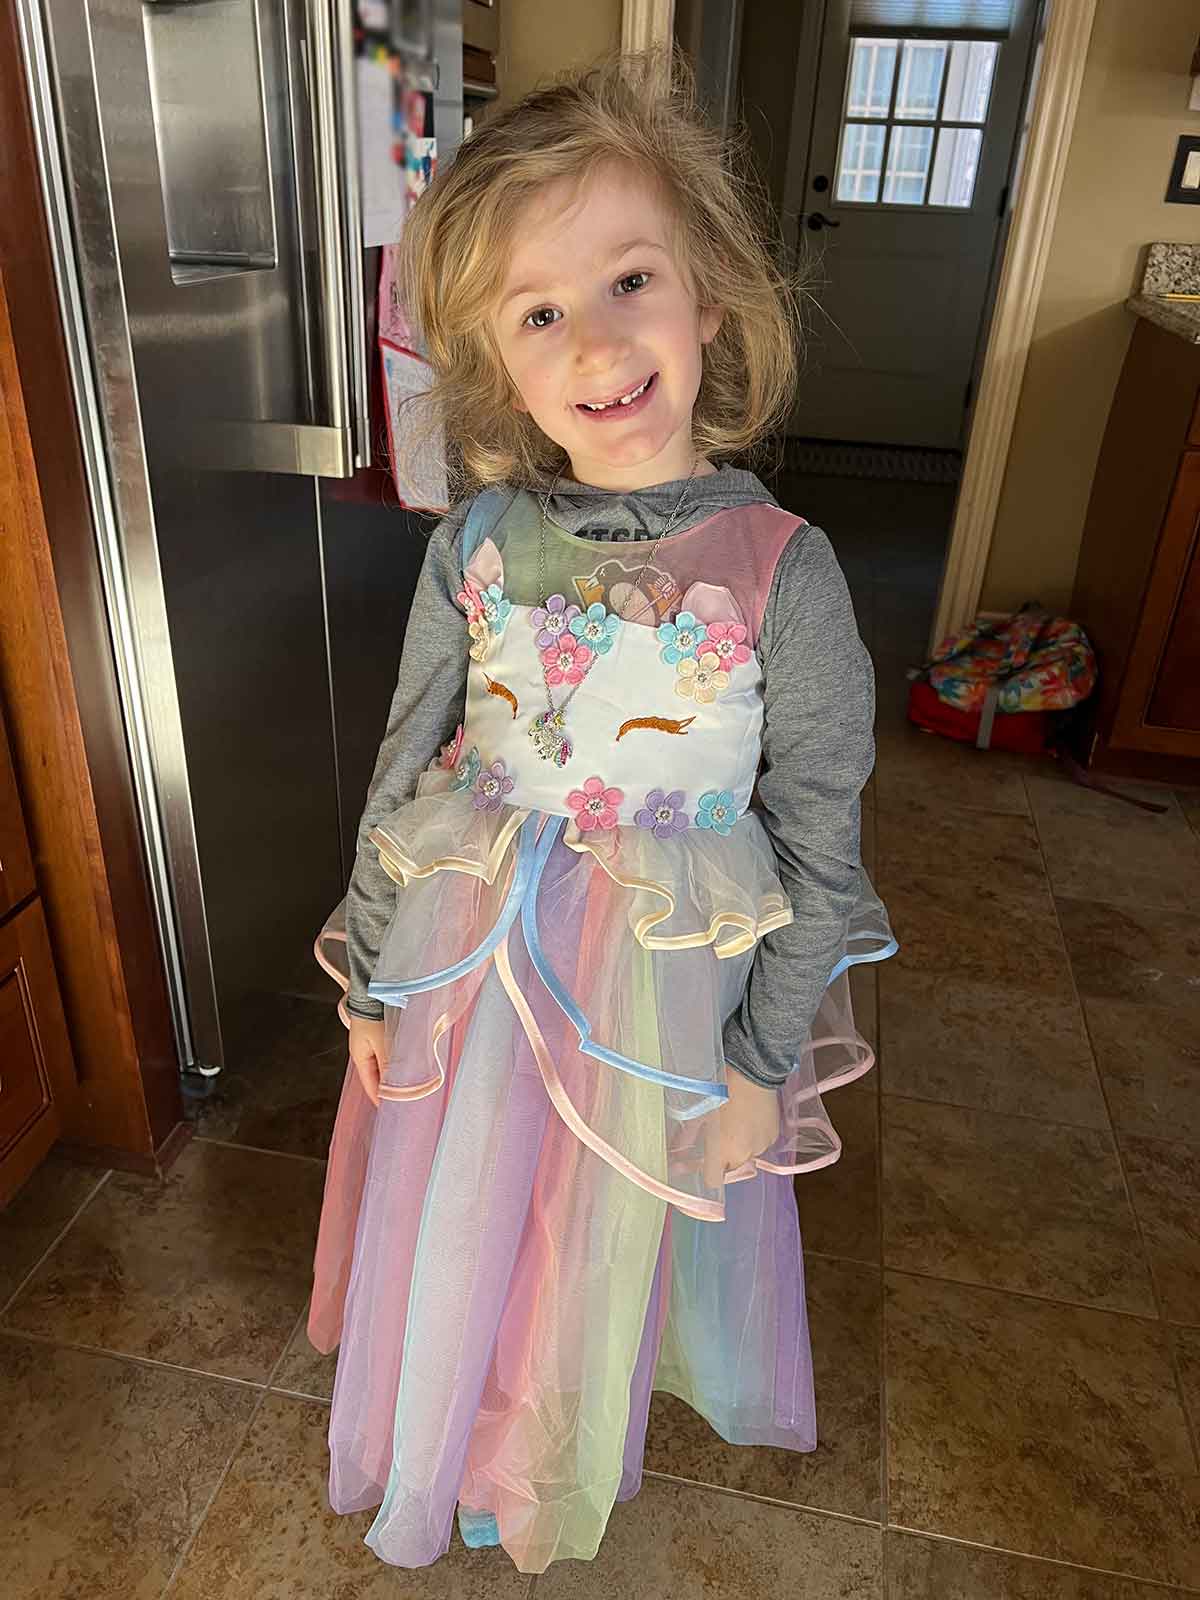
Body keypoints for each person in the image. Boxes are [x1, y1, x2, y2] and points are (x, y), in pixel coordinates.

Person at [307, 52, 894, 1577]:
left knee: (593, 1237)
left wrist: (764, 1058)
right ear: (501, 363)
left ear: (710, 295)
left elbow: (822, 832)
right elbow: (410, 758)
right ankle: (451, 1443)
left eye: (632, 279)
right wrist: (374, 970)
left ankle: (551, 1458)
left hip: (650, 989)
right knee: (463, 1209)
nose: (599, 340)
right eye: (541, 311)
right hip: (472, 960)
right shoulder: (479, 540)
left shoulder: (786, 569)